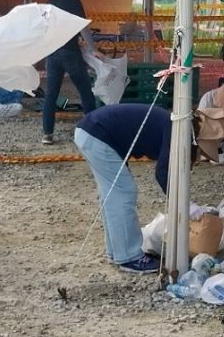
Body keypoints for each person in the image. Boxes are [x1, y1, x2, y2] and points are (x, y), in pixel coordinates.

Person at [73, 104, 171, 274]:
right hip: (98, 134)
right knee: (123, 192)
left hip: (92, 131)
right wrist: (182, 202)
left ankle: (117, 252)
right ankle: (130, 257)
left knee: (111, 194)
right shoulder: (175, 131)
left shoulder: (170, 122)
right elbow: (163, 173)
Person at [41, 0, 102, 145]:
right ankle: (91, 130)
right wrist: (93, 49)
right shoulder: (74, 2)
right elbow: (82, 27)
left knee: (51, 95)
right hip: (70, 53)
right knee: (85, 91)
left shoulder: (49, 2)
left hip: (52, 54)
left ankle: (47, 134)